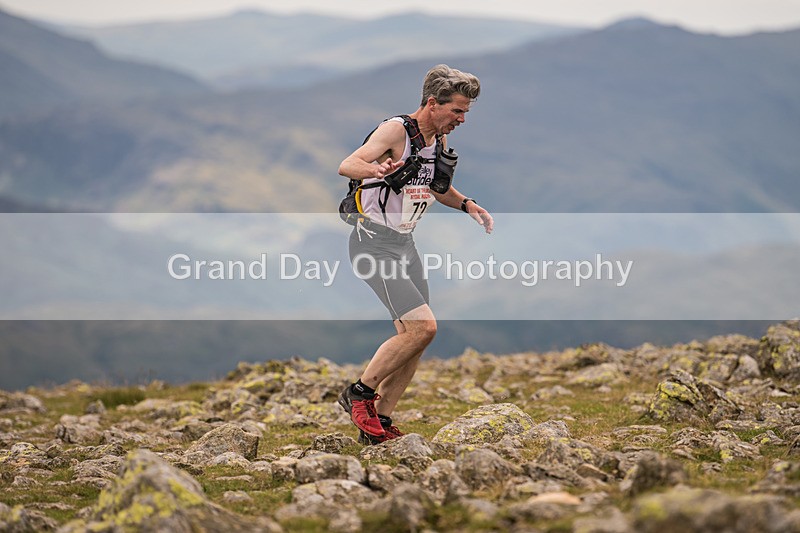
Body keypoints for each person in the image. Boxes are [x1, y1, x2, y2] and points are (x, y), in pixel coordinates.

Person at [337, 64, 494, 444]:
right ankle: (359, 394)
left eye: (465, 112)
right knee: (424, 327)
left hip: (404, 245)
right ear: (432, 103)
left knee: (414, 339)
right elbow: (348, 165)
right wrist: (377, 169)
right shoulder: (396, 130)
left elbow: (437, 188)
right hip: (372, 243)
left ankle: (381, 422)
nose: (461, 119)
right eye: (457, 110)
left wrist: (467, 204)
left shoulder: (435, 140)